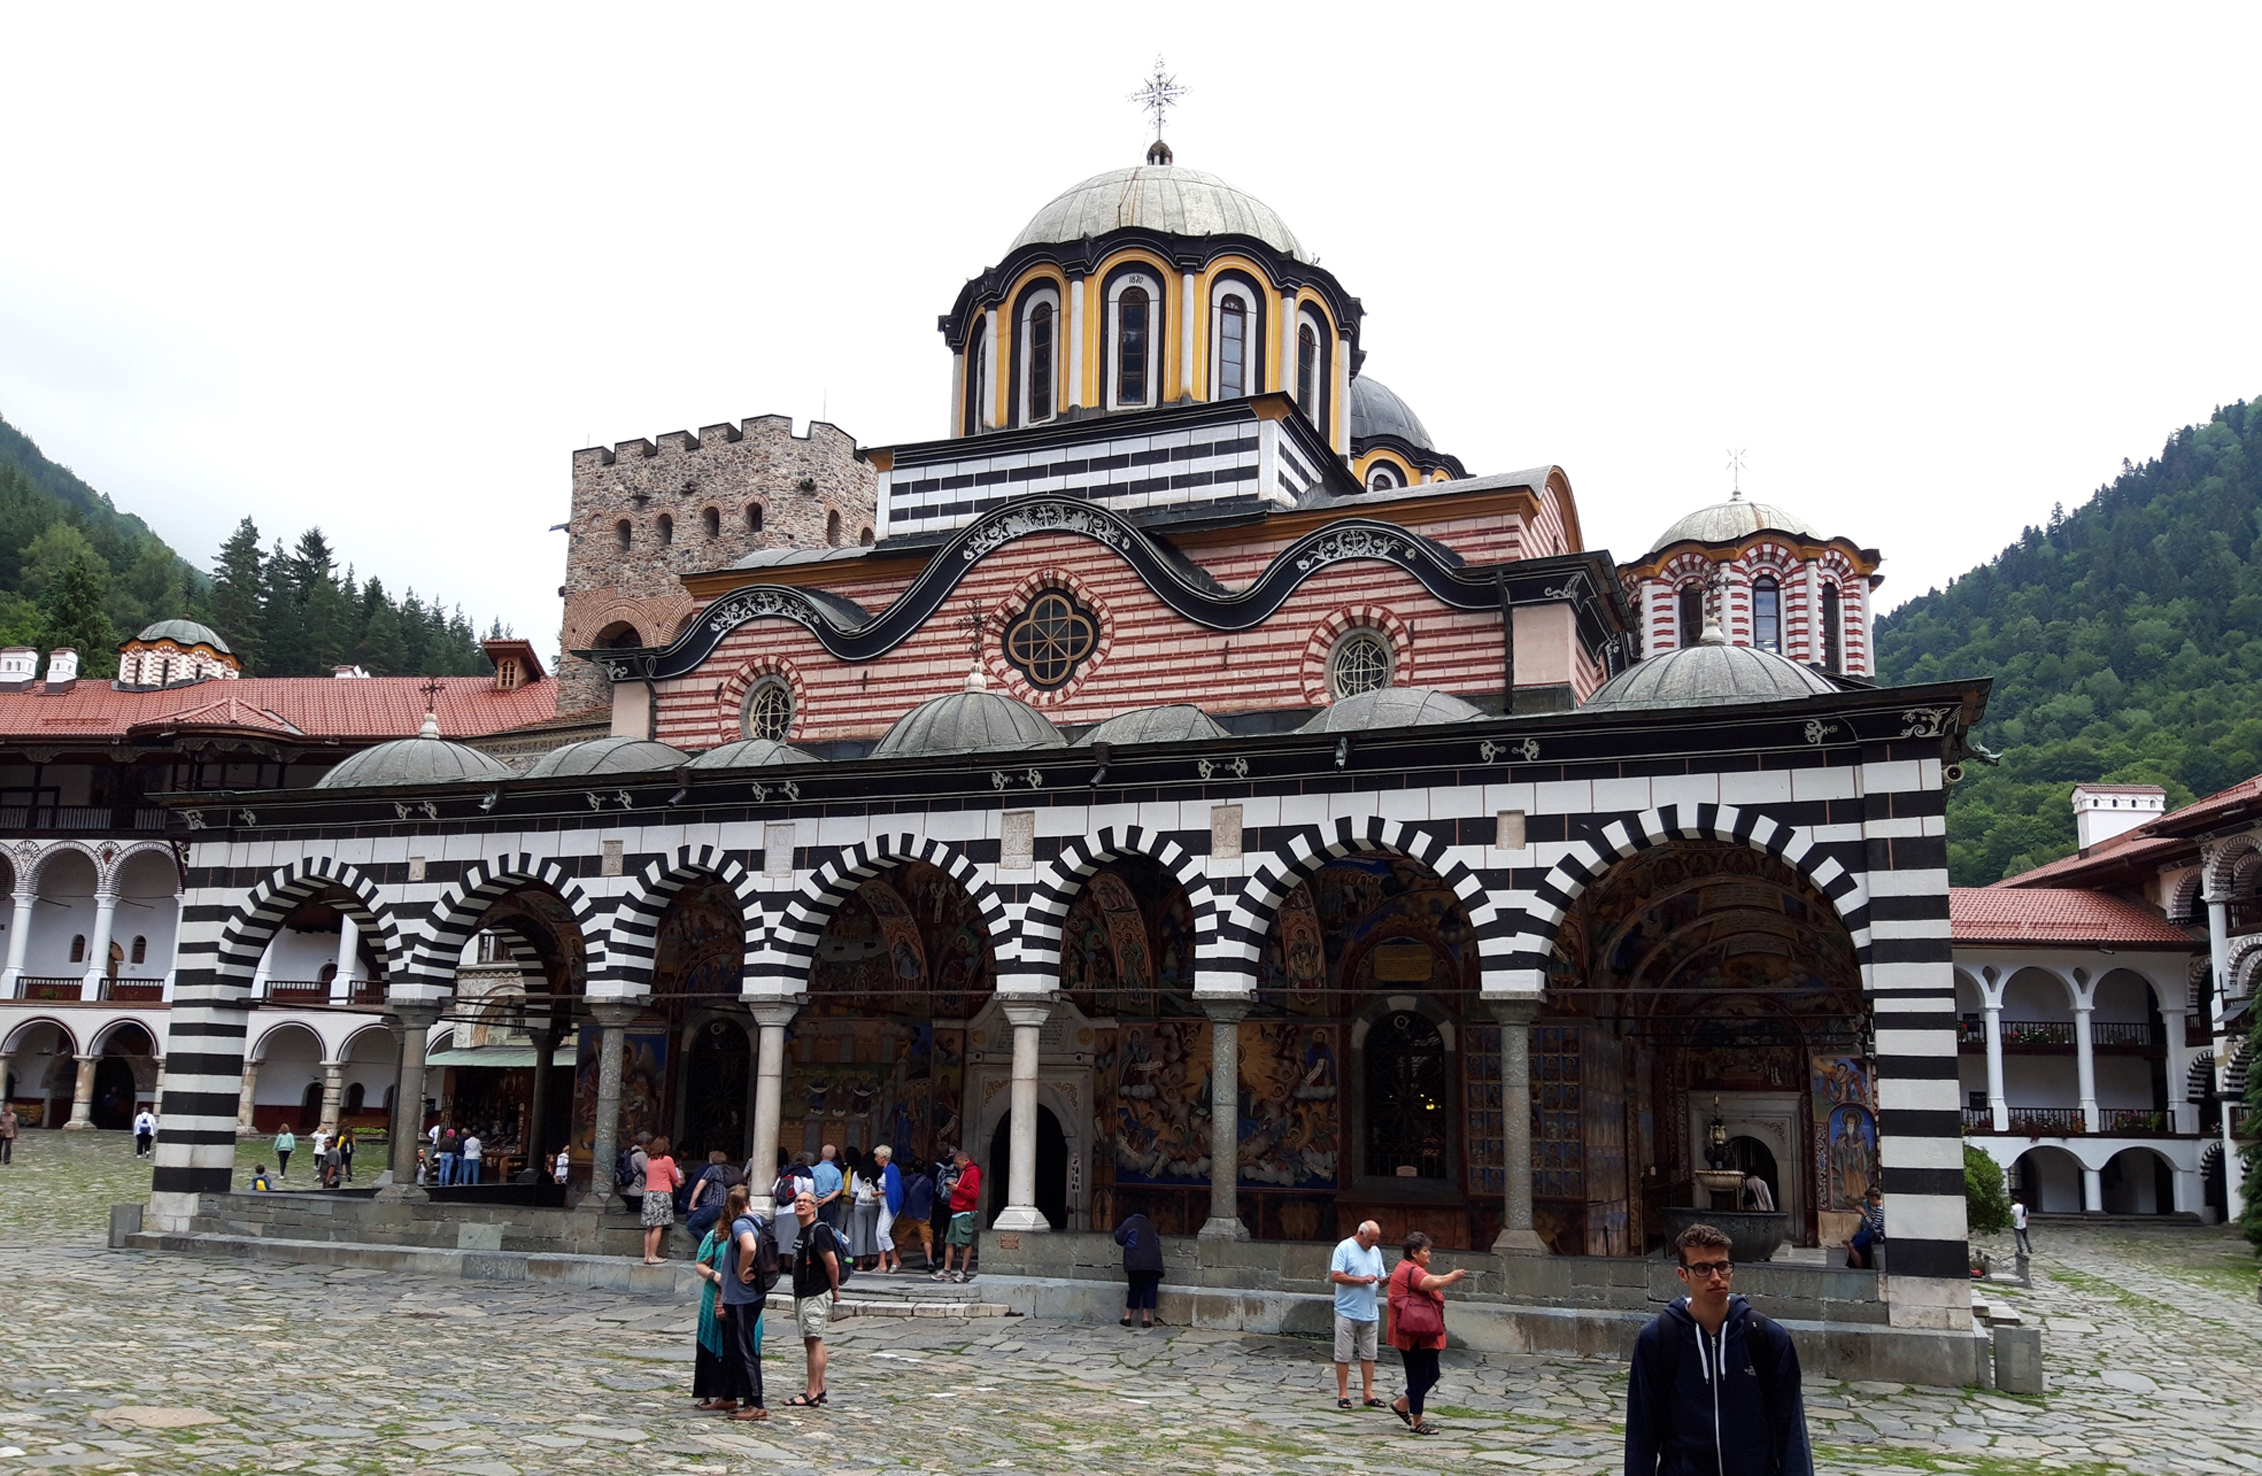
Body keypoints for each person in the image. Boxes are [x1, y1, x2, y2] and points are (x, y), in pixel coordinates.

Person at [1625, 1222, 1813, 1476]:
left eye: (1722, 1266)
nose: (1716, 1277)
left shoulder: (1766, 1338)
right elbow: (1642, 1433)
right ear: (1683, 1274)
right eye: (1703, 1268)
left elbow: (1792, 1431)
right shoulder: (1658, 1339)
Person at [1385, 1230, 1465, 1435]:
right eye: (1426, 1251)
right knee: (1418, 1375)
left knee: (1431, 1373)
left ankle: (1402, 1404)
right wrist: (1452, 1276)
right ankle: (1417, 1421)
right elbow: (1432, 1283)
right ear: (1414, 1253)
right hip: (1413, 1334)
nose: (1429, 1254)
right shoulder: (1410, 1270)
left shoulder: (1410, 1268)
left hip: (1423, 1333)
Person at [715, 1183, 770, 1421]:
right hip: (749, 1295)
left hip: (741, 1297)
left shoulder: (740, 1223)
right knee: (734, 1347)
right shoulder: (758, 1220)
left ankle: (755, 1402)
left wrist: (740, 1270)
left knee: (744, 1348)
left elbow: (749, 1246)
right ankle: (728, 1395)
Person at [783, 1188, 841, 1408]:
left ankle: (811, 1392)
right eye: (798, 1200)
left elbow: (832, 1263)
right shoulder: (804, 1230)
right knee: (813, 1340)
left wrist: (834, 1288)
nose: (801, 1204)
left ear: (815, 1205)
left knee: (814, 1340)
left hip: (815, 1292)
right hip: (805, 1292)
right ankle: (820, 1388)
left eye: (806, 1201)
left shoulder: (819, 1231)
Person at [1329, 1219, 1387, 1410]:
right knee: (1343, 1354)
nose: (1373, 1244)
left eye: (1376, 1240)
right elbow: (1336, 1275)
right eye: (1371, 1240)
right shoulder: (1344, 1248)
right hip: (1347, 1310)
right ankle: (1343, 1393)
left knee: (1369, 1354)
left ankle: (1368, 1392)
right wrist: (1360, 1280)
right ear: (1361, 1234)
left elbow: (1378, 1277)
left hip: (1370, 1311)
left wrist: (1384, 1281)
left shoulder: (1375, 1252)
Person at [691, 1192, 736, 1410]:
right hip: (714, 1295)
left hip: (740, 1296)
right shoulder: (715, 1236)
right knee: (710, 1341)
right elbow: (701, 1263)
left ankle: (734, 1393)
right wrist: (714, 1275)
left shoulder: (752, 1234)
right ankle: (708, 1393)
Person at [935, 1147, 981, 1283]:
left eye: (957, 1163)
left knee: (965, 1243)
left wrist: (957, 1189)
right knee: (949, 1241)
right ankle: (946, 1270)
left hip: (965, 1211)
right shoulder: (964, 1172)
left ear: (965, 1160)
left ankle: (963, 1272)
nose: (956, 1166)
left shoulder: (973, 1172)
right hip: (956, 1211)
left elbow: (974, 1194)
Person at [1113, 1209, 1164, 1329]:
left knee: (1135, 1288)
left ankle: (1127, 1317)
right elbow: (1157, 1241)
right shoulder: (1150, 1225)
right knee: (1150, 1290)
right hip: (1154, 1264)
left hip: (1136, 1262)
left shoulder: (1129, 1222)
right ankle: (1146, 1319)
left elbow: (1119, 1238)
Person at [642, 1134, 683, 1264]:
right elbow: (675, 1178)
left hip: (649, 1193)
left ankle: (646, 1255)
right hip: (662, 1193)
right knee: (658, 1227)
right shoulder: (667, 1160)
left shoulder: (649, 1160)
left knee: (649, 1227)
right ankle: (653, 1255)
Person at [897, 1162, 937, 1270]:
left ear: (911, 1168)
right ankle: (929, 1261)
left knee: (901, 1239)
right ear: (924, 1168)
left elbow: (901, 1197)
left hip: (907, 1213)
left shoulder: (905, 1181)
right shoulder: (928, 1182)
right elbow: (930, 1201)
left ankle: (896, 1261)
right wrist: (929, 1214)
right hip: (922, 1214)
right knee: (927, 1238)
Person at [686, 1150, 732, 1243]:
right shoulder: (729, 1170)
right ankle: (716, 1244)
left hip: (712, 1205)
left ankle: (709, 1247)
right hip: (725, 1205)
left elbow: (699, 1187)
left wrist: (691, 1204)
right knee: (706, 1227)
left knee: (692, 1225)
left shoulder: (712, 1170)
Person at [872, 1145, 904, 1274]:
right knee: (878, 1232)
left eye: (877, 1156)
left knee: (883, 1233)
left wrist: (878, 1193)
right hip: (884, 1204)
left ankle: (895, 1259)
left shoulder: (891, 1170)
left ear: (883, 1157)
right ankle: (882, 1264)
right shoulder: (887, 1170)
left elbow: (893, 1189)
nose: (875, 1159)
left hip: (890, 1204)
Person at [847, 1157, 882, 1271]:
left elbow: (852, 1193)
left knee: (859, 1233)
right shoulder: (878, 1173)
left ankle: (860, 1263)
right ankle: (873, 1258)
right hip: (874, 1205)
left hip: (859, 1205)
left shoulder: (857, 1173)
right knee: (873, 1231)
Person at [811, 1143, 845, 1234]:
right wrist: (825, 1200)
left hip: (814, 1203)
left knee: (813, 1229)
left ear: (821, 1154)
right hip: (829, 1204)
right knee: (829, 1231)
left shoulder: (813, 1170)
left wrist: (816, 1199)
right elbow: (838, 1190)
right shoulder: (836, 1172)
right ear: (834, 1156)